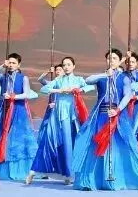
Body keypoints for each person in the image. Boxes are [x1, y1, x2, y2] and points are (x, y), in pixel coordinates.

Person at [69, 49, 138, 192]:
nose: (111, 61)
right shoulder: (101, 77)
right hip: (100, 116)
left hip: (118, 116)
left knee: (128, 146)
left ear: (119, 61)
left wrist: (117, 110)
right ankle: (90, 181)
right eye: (109, 58)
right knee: (95, 147)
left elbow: (127, 96)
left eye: (114, 58)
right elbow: (87, 80)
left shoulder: (124, 77)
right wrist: (105, 74)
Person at [28, 56, 93, 185]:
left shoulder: (78, 79)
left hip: (74, 114)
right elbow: (44, 89)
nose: (66, 67)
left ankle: (74, 172)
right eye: (64, 65)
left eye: (69, 64)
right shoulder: (59, 80)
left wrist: (78, 90)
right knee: (63, 142)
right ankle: (67, 174)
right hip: (61, 114)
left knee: (76, 142)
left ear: (74, 66)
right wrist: (60, 90)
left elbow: (90, 87)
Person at [0, 53, 38, 182]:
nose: (11, 65)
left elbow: (26, 94)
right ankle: (5, 169)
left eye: (14, 63)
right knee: (4, 138)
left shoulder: (23, 78)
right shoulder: (3, 77)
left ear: (19, 65)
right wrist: (2, 65)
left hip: (18, 110)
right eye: (10, 63)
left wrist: (13, 96)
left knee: (18, 139)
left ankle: (22, 170)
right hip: (5, 111)